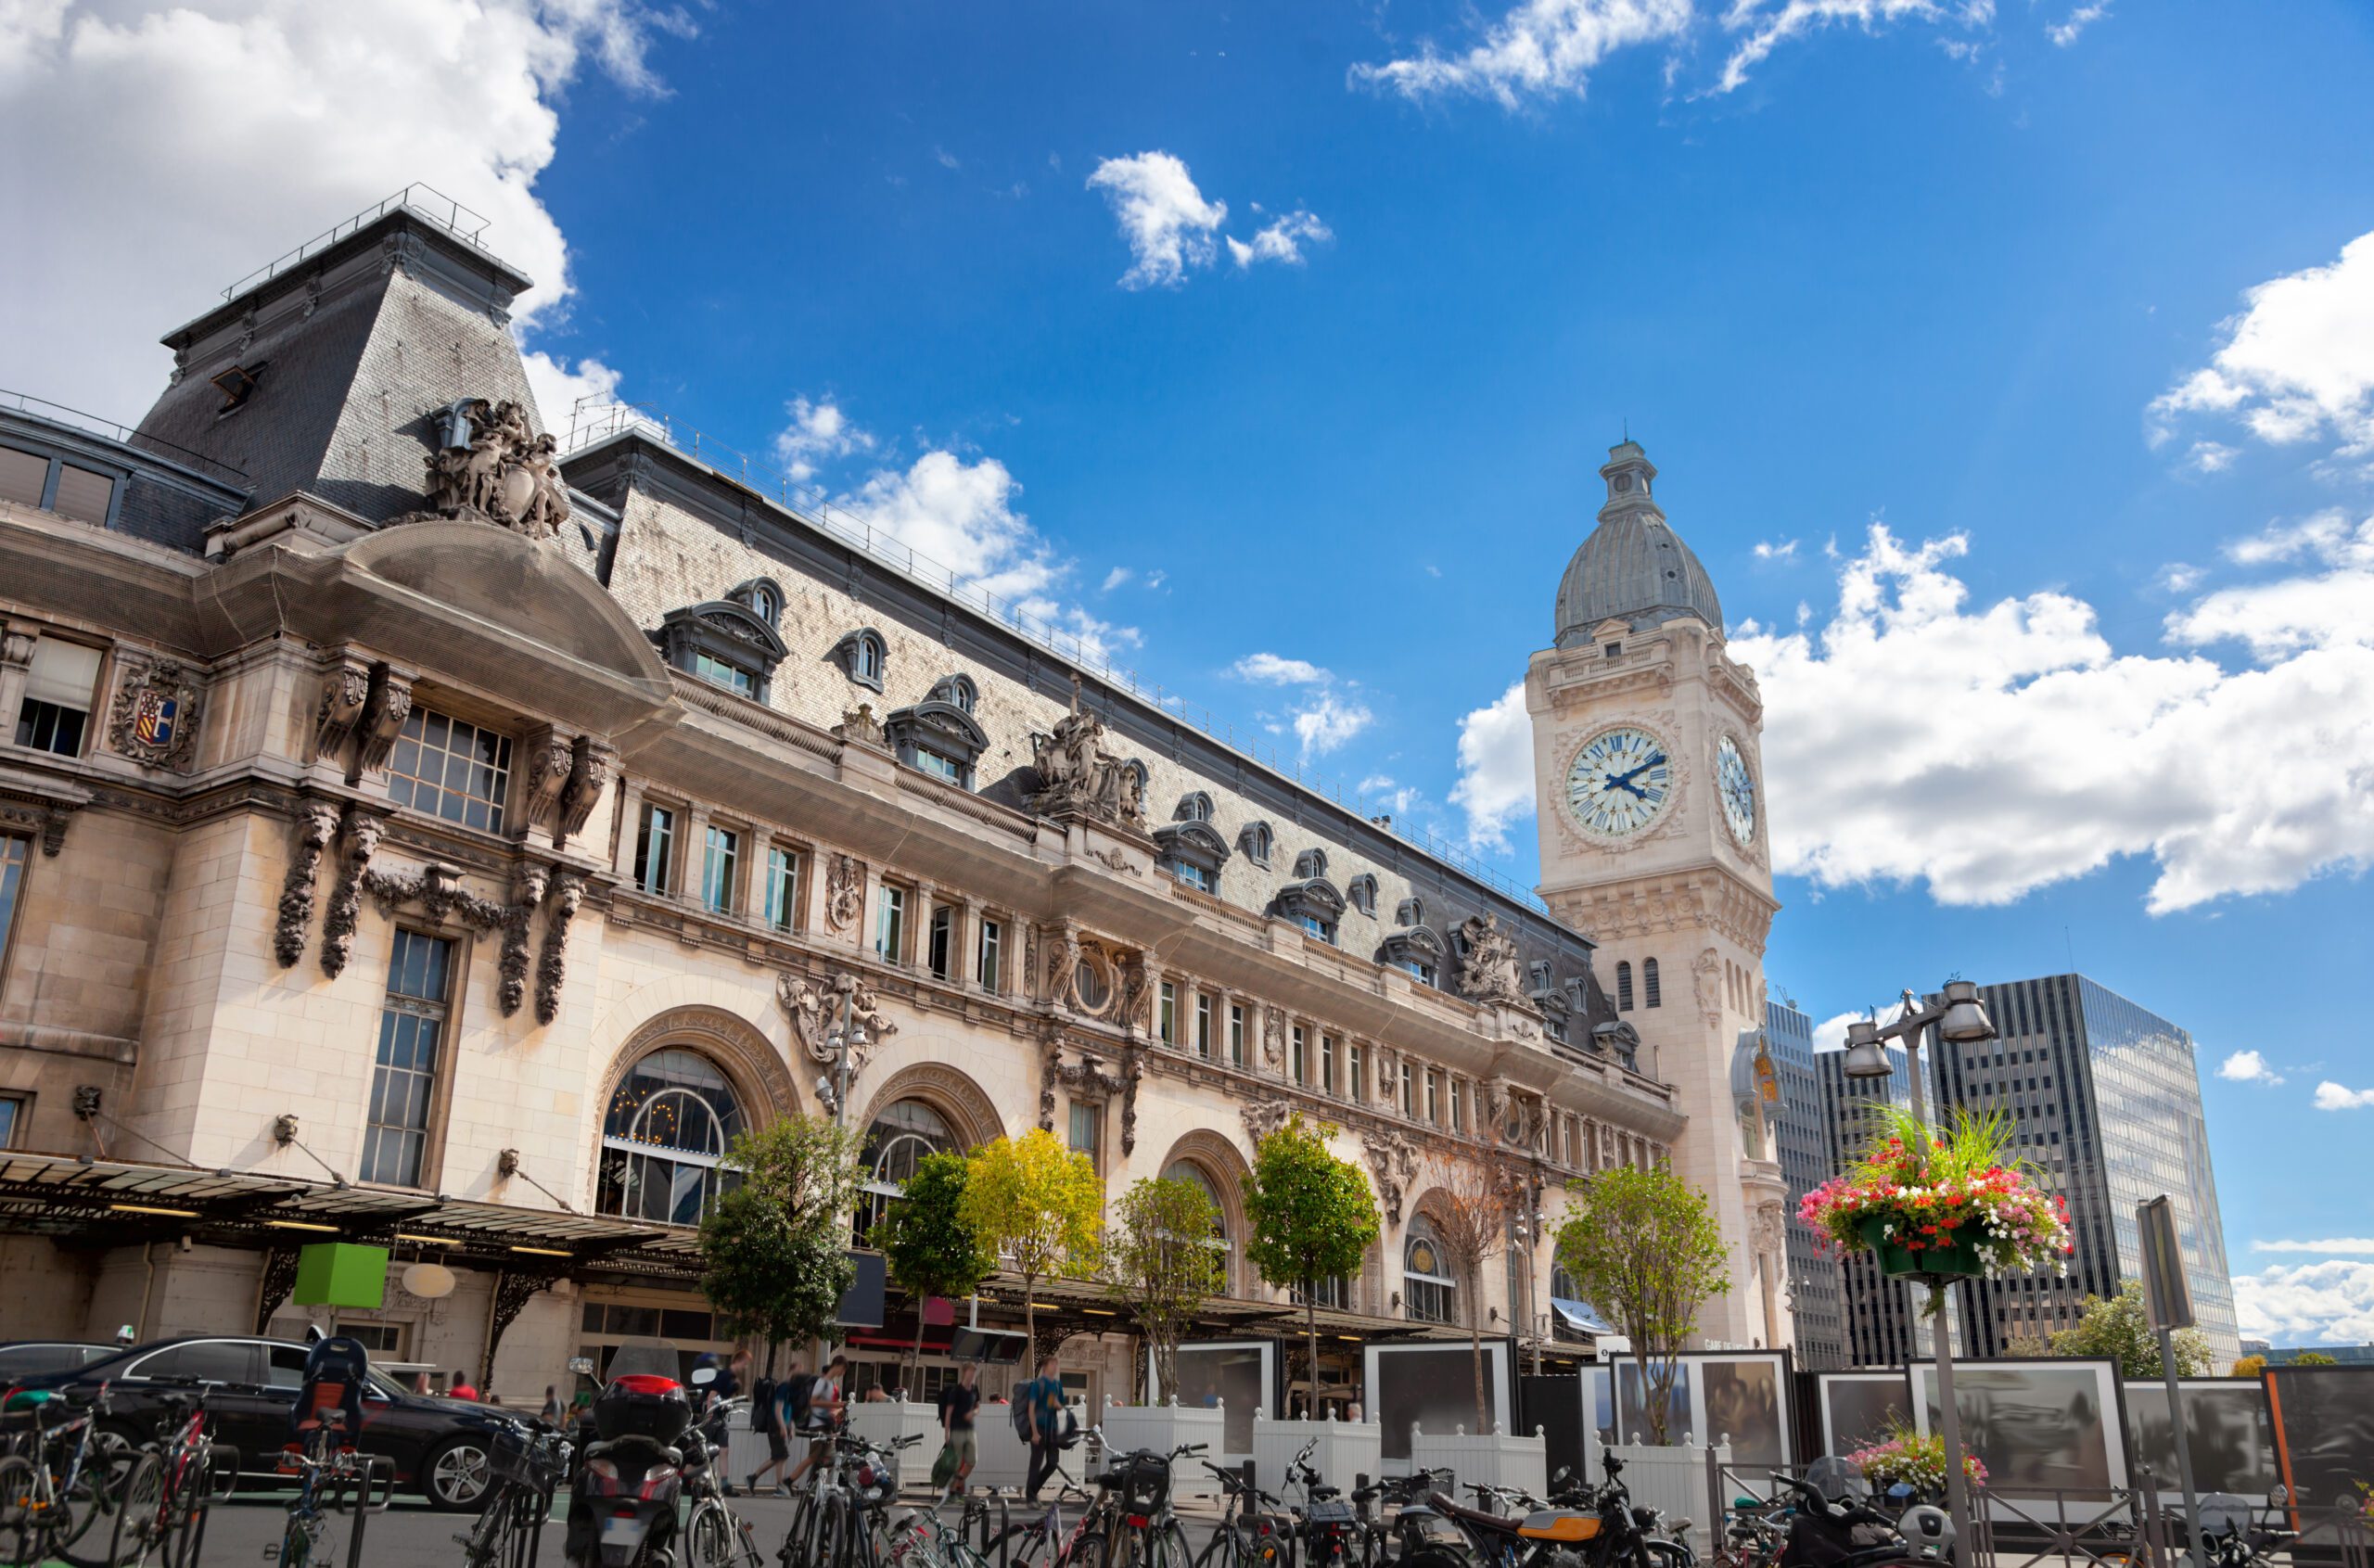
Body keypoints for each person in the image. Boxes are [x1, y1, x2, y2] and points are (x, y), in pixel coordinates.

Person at [782, 1355, 849, 1492]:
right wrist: (836, 1404)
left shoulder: (830, 1384)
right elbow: (813, 1402)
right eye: (843, 1370)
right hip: (818, 1425)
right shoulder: (823, 1382)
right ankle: (791, 1481)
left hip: (825, 1425)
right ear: (838, 1366)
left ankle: (813, 1483)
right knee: (815, 1457)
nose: (843, 1373)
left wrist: (837, 1410)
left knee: (826, 1458)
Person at [746, 1358, 800, 1498]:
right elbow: (778, 1409)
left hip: (781, 1425)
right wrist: (783, 1426)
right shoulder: (784, 1387)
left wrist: (791, 1427)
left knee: (778, 1456)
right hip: (776, 1425)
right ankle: (779, 1487)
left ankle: (753, 1477)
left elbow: (790, 1410)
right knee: (781, 1456)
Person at [1021, 1354, 1067, 1504]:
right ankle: (1030, 1496)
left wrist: (1056, 1404)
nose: (1055, 1367)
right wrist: (1034, 1432)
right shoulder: (1038, 1384)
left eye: (1056, 1364)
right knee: (1036, 1463)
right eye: (1053, 1364)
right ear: (1046, 1366)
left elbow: (1061, 1406)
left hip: (1052, 1429)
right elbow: (1031, 1409)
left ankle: (1033, 1491)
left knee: (1053, 1463)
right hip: (1039, 1428)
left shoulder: (1057, 1385)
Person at [936, 1364, 981, 1497]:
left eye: (974, 1372)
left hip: (970, 1430)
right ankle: (953, 1491)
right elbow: (948, 1413)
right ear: (965, 1373)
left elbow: (978, 1408)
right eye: (970, 1372)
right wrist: (946, 1433)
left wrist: (972, 1413)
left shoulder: (975, 1389)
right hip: (957, 1430)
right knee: (956, 1462)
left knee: (972, 1461)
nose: (972, 1375)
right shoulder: (956, 1391)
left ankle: (955, 1486)